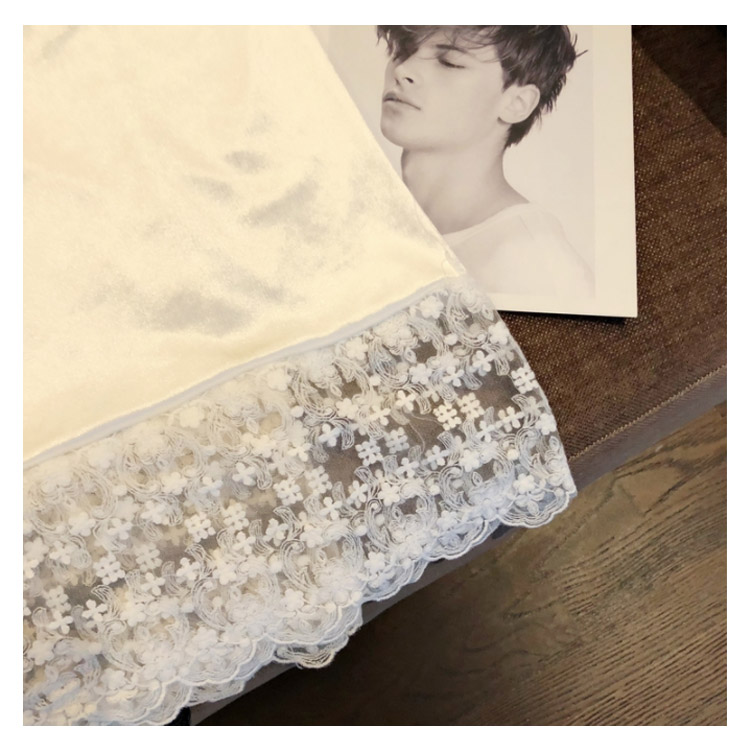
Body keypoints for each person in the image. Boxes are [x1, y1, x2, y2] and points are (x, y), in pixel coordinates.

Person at [377, 25, 594, 301]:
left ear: (517, 103)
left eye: (449, 62)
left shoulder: (531, 263)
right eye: (403, 50)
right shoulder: (370, 220)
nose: (402, 69)